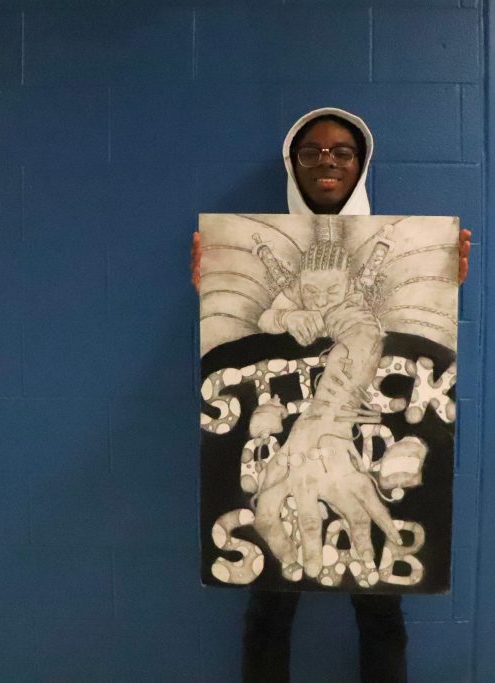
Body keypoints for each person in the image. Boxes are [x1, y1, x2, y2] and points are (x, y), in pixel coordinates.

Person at [192, 107, 471, 683]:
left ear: (360, 164)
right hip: (287, 433)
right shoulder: (267, 271)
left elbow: (363, 331)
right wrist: (212, 280)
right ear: (292, 164)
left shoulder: (365, 305)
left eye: (342, 151)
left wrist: (451, 278)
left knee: (379, 602)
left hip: (354, 437)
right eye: (312, 150)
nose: (327, 160)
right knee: (270, 599)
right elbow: (271, 318)